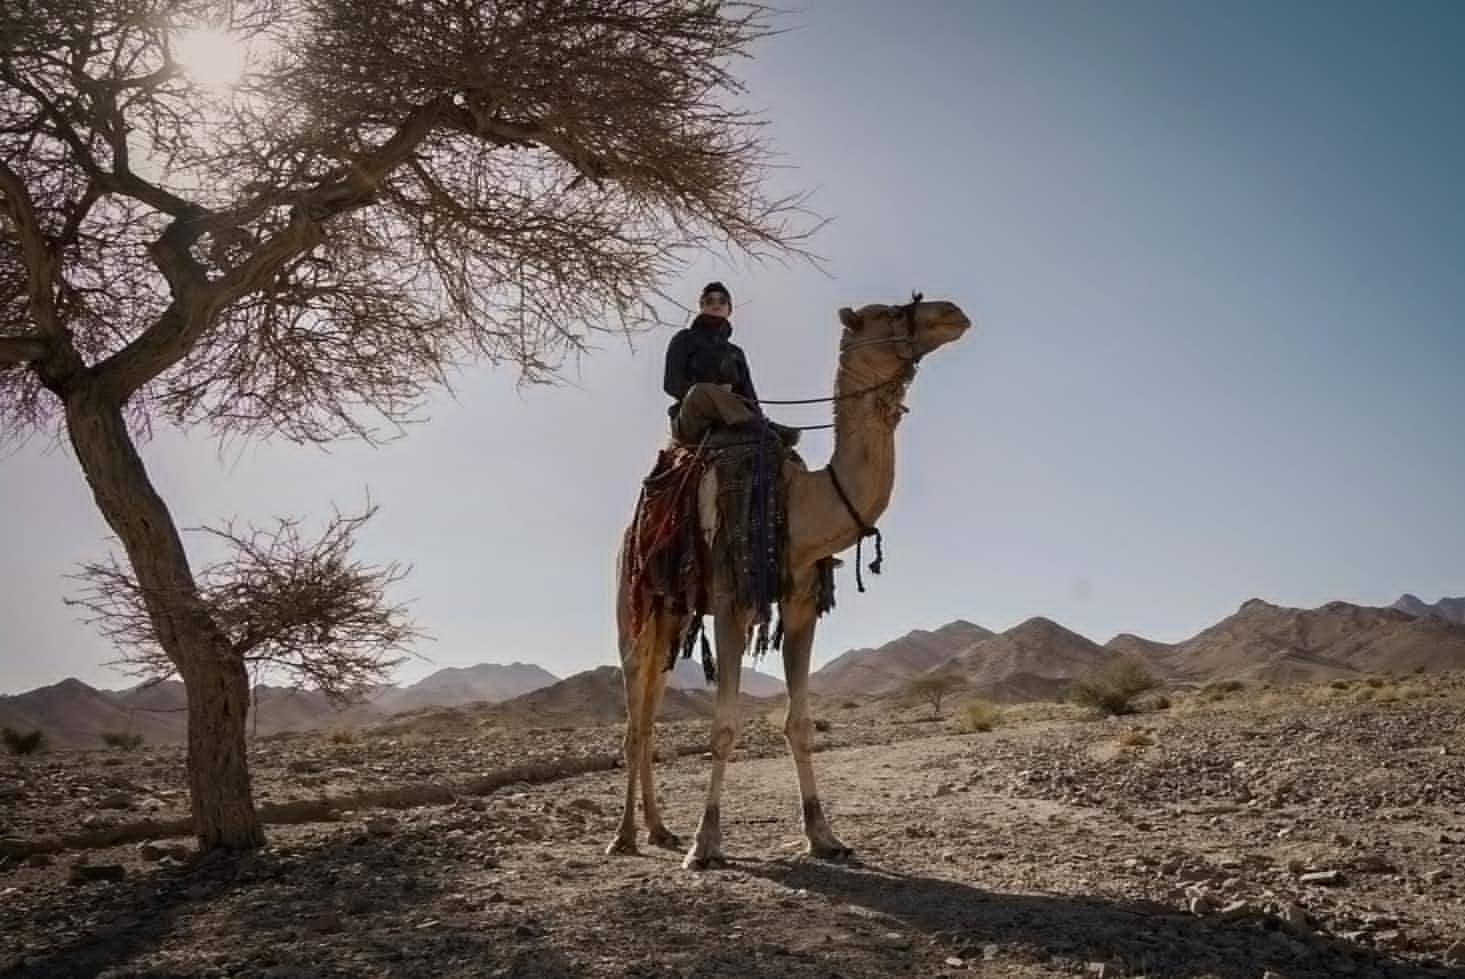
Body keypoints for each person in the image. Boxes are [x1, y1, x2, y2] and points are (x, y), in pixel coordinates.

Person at [662, 281, 799, 448]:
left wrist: (751, 412)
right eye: (709, 300)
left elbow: (749, 397)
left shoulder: (735, 353)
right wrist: (716, 397)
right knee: (701, 391)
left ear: (729, 309)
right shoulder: (685, 338)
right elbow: (671, 384)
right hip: (692, 416)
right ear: (701, 305)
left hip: (733, 421)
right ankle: (764, 427)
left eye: (722, 300)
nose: (716, 304)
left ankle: (761, 429)